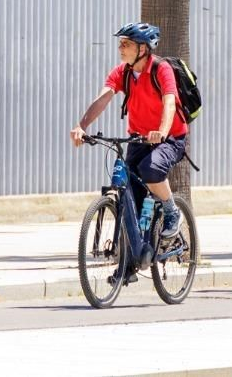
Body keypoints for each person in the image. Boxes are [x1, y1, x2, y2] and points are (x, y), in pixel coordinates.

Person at [70, 22, 187, 275]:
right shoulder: (122, 73)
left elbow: (169, 103)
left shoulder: (161, 69)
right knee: (128, 195)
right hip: (138, 138)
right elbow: (103, 98)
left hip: (170, 137)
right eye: (120, 43)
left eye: (127, 44)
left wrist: (163, 131)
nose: (121, 48)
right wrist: (81, 125)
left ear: (143, 48)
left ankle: (171, 211)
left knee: (151, 168)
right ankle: (130, 262)